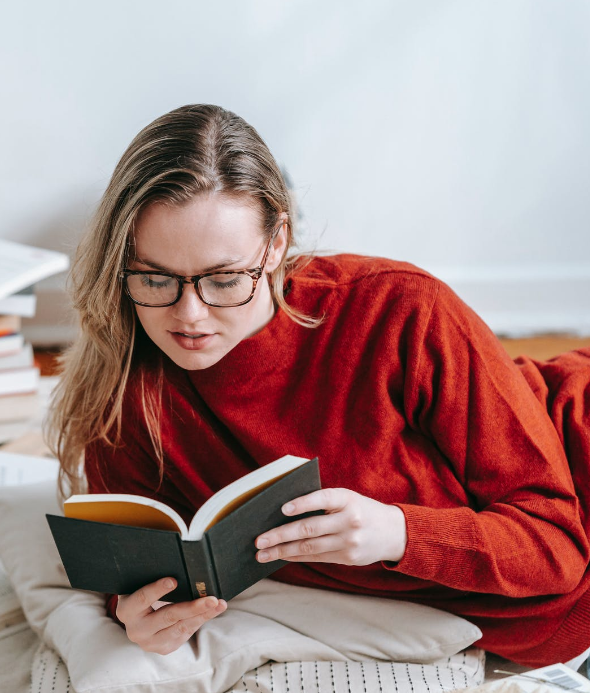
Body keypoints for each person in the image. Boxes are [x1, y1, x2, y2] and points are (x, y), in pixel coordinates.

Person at [47, 103, 590, 667]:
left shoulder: (399, 308)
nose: (190, 315)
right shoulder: (124, 385)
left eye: (226, 279)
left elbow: (556, 546)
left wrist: (396, 532)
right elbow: (136, 567)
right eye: (155, 278)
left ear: (277, 243)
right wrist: (138, 614)